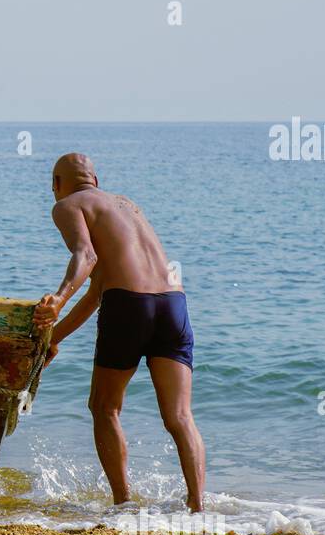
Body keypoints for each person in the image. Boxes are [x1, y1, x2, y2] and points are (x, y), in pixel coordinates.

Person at [32, 152, 206, 512]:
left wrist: (57, 301)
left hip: (129, 306)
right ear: (95, 179)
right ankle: (198, 505)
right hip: (173, 304)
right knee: (180, 416)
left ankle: (123, 503)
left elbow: (87, 257)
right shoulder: (127, 206)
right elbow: (98, 291)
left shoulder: (68, 205)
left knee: (104, 407)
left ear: (56, 184)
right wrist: (53, 340)